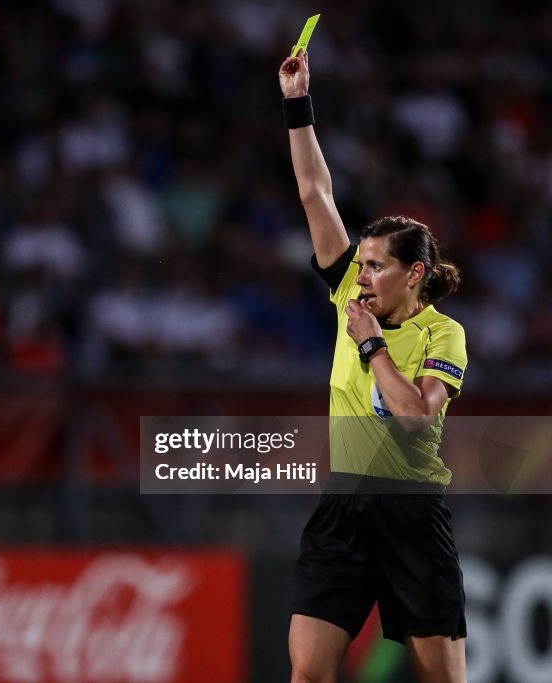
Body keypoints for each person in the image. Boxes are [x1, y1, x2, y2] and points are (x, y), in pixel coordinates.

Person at [279, 50, 469, 683]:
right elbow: (314, 192)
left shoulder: (443, 333)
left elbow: (416, 417)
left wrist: (371, 347)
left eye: (376, 266)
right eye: (358, 265)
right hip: (344, 507)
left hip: (411, 513)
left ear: (414, 274)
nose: (360, 277)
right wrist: (297, 104)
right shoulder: (347, 299)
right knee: (309, 674)